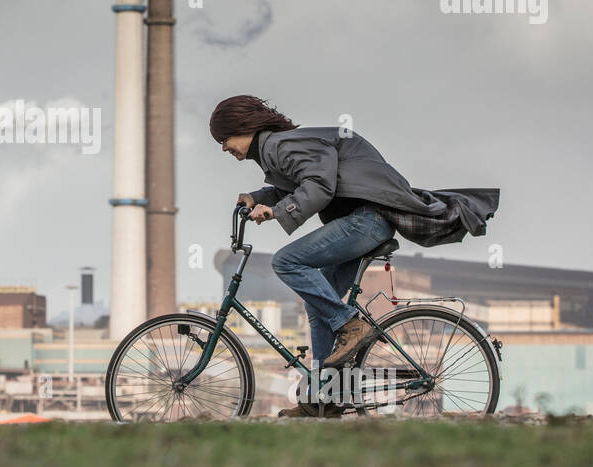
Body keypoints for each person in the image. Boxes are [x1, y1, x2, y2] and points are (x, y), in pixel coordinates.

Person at [209, 94, 499, 418]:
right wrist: (257, 197)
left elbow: (319, 184)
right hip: (363, 221)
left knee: (286, 261)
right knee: (320, 303)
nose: (224, 147)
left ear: (244, 127)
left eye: (224, 139)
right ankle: (325, 400)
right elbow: (302, 182)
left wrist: (276, 211)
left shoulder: (281, 145)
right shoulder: (279, 149)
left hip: (366, 220)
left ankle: (350, 325)